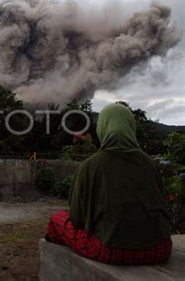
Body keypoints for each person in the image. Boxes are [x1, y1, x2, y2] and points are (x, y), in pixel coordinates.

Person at [45, 103, 172, 265]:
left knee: (57, 219)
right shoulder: (151, 164)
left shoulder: (90, 166)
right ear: (131, 127)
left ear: (102, 128)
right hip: (160, 250)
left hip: (111, 250)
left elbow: (77, 217)